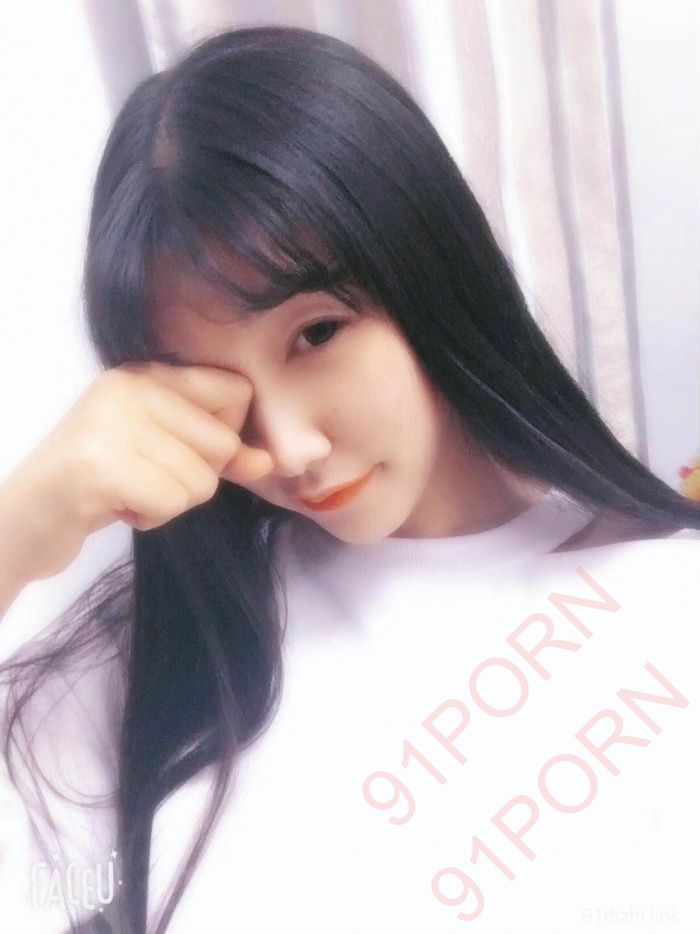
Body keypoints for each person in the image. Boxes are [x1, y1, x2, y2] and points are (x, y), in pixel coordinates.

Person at [0, 23, 698, 934]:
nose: (288, 448)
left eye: (317, 334)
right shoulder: (157, 670)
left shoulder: (673, 596)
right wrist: (15, 536)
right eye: (213, 388)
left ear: (428, 272)